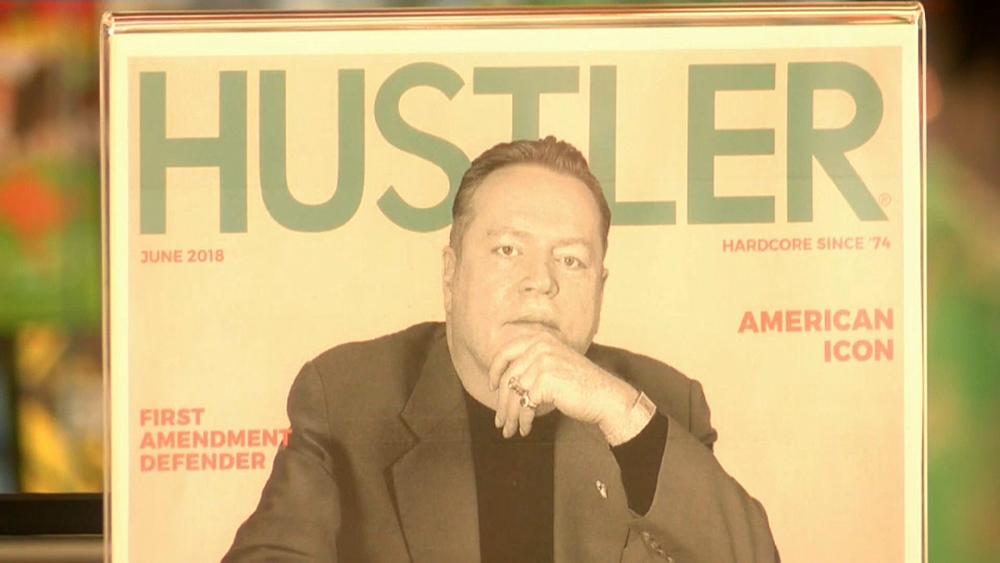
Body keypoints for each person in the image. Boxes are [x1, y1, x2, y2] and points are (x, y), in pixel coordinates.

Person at [224, 137, 779, 562]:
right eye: (509, 250)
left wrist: (621, 414)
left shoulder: (658, 404)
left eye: (571, 260)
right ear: (451, 274)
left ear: (600, 290)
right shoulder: (349, 397)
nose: (541, 282)